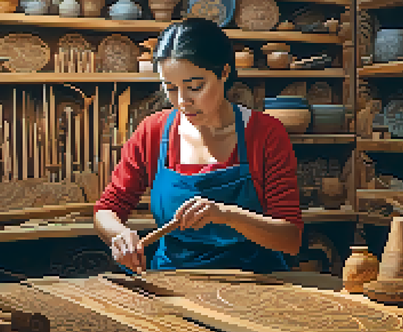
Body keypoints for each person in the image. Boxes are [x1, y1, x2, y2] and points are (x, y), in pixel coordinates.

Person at [94, 17, 303, 275]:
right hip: (173, 280)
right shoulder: (153, 131)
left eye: (195, 87)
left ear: (224, 72)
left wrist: (227, 214)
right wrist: (121, 236)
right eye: (170, 88)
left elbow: (290, 239)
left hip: (255, 283)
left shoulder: (265, 134)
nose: (183, 101)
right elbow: (107, 209)